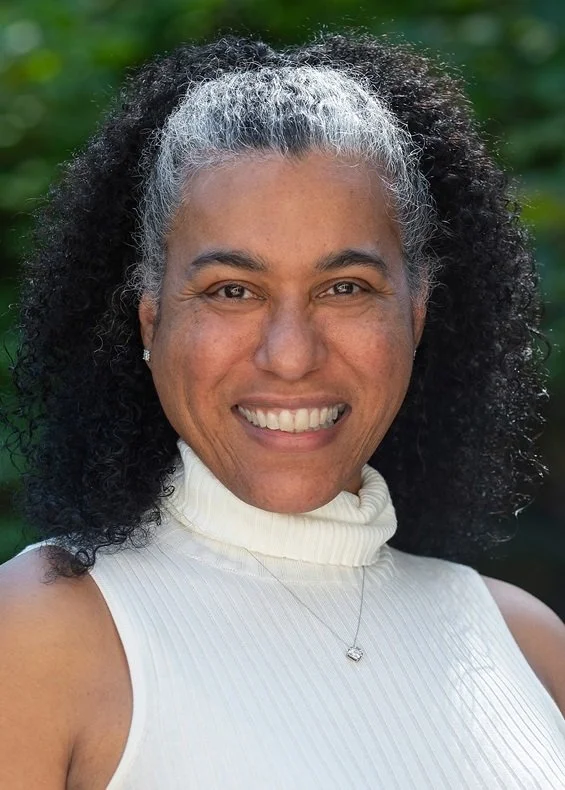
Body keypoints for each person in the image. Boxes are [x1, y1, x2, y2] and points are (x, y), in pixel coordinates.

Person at [0, 32, 564, 789]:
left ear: (416, 316)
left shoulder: (525, 643)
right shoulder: (42, 631)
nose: (291, 355)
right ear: (150, 322)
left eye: (345, 288)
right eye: (232, 291)